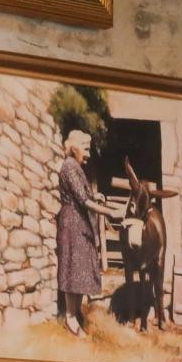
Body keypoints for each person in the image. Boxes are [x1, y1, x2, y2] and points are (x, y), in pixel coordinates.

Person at [54, 129, 116, 337]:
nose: (89, 154)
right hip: (72, 224)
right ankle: (70, 317)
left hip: (79, 223)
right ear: (74, 148)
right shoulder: (69, 167)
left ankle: (75, 314)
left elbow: (83, 194)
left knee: (80, 269)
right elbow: (83, 201)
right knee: (73, 269)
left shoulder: (76, 167)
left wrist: (95, 195)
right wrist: (109, 212)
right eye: (86, 149)